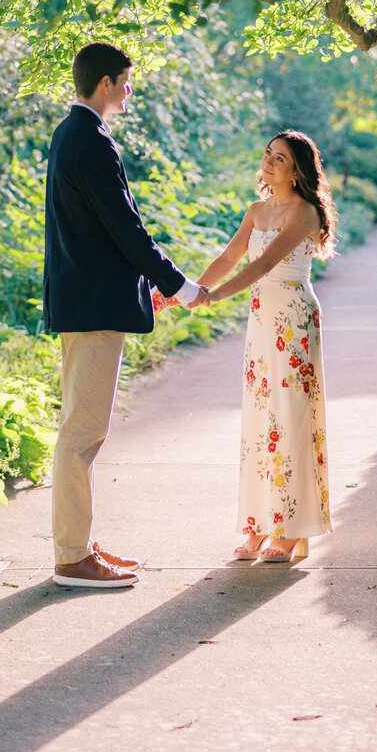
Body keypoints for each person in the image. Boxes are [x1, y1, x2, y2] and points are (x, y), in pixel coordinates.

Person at [44, 40, 208, 588]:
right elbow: (125, 226)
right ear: (107, 82)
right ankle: (72, 557)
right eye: (126, 80)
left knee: (85, 428)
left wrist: (149, 283)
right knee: (82, 431)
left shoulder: (73, 135)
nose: (130, 89)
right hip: (90, 305)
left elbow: (104, 231)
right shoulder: (89, 140)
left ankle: (80, 545)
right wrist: (178, 285)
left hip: (86, 298)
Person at [178, 130, 334, 564]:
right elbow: (230, 258)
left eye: (280, 158)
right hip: (262, 321)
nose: (268, 162)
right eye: (268, 154)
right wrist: (189, 290)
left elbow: (266, 264)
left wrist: (213, 298)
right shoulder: (256, 210)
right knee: (261, 420)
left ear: (298, 170)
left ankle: (289, 528)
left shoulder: (304, 213)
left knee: (291, 417)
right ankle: (259, 524)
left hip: (294, 321)